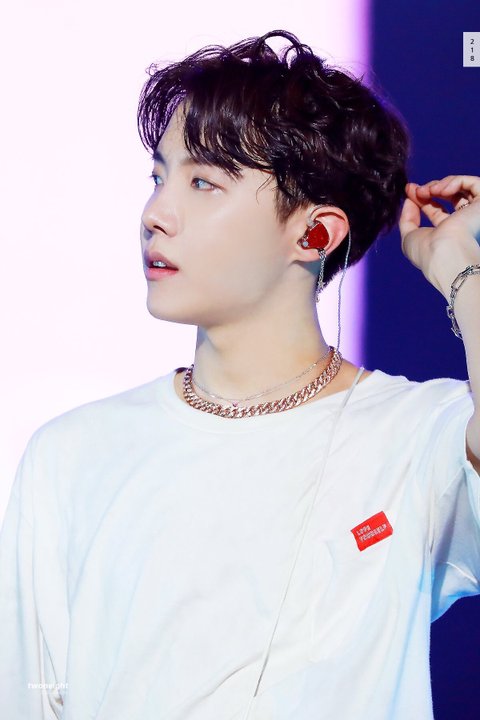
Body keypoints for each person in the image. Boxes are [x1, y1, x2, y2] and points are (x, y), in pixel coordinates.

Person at [0, 29, 479, 720]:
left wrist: (461, 268)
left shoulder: (418, 438)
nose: (155, 215)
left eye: (203, 183)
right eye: (159, 177)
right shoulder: (71, 454)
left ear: (314, 234)